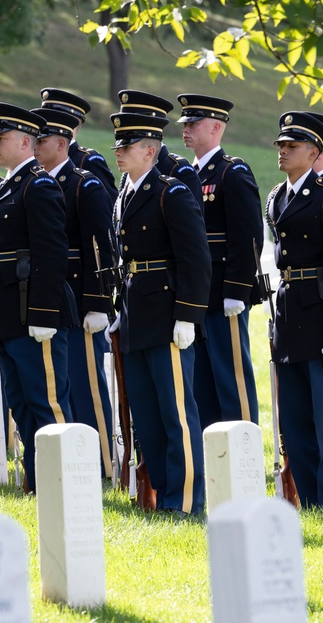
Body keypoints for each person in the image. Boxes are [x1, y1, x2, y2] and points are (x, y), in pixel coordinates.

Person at [106, 111, 210, 517]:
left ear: (150, 151)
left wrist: (187, 315)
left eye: (126, 147)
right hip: (135, 314)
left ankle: (184, 501)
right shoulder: (124, 194)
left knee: (175, 414)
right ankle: (163, 497)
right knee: (147, 415)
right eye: (117, 146)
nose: (118, 152)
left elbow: (195, 257)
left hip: (167, 314)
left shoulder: (171, 192)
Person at [0, 103, 74, 494]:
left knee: (47, 402)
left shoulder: (38, 185)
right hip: (8, 308)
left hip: (33, 310)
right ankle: (39, 484)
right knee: (20, 403)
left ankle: (63, 483)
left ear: (25, 141)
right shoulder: (8, 185)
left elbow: (52, 253)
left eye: (1, 139)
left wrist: (43, 312)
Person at [32, 106, 116, 478]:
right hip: (51, 299)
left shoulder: (85, 183)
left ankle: (104, 465)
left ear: (62, 143)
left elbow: (101, 245)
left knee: (87, 388)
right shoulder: (36, 182)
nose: (35, 146)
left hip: (81, 298)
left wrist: (98, 302)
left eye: (42, 140)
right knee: (60, 384)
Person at [177, 94, 262, 427]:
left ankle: (243, 450)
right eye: (184, 123)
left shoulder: (231, 172)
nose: (186, 130)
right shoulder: (186, 174)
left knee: (231, 378)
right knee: (201, 381)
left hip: (224, 293)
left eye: (193, 124)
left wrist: (238, 290)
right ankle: (215, 456)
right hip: (196, 295)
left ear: (215, 127)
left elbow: (249, 235)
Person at [266, 111, 323, 507]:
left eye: (292, 146)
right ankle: (309, 501)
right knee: (295, 419)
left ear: (314, 153)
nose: (283, 151)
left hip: (320, 315)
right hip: (289, 315)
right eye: (280, 145)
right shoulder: (277, 196)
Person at [116, 90, 201, 199]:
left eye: (133, 121)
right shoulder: (131, 168)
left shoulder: (179, 171)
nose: (125, 126)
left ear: (152, 125)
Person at [39, 87, 117, 200]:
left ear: (70, 124)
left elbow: (108, 204)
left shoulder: (87, 161)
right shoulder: (38, 155)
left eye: (55, 118)